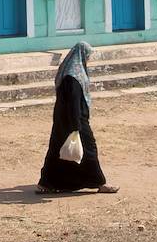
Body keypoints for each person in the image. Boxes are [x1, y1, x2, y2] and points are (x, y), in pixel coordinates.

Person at [37, 42, 118, 193]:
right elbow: (74, 101)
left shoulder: (70, 71)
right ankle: (100, 183)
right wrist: (76, 127)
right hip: (74, 119)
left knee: (57, 149)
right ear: (81, 55)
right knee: (89, 149)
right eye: (87, 55)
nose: (88, 59)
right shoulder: (73, 76)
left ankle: (46, 183)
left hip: (62, 119)